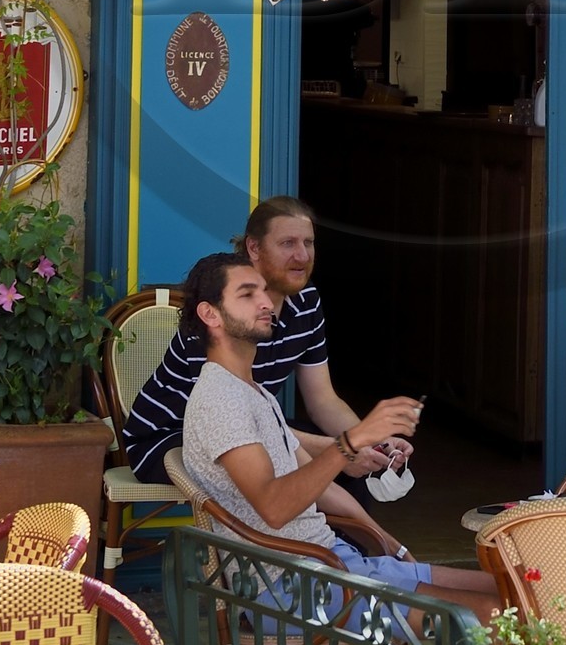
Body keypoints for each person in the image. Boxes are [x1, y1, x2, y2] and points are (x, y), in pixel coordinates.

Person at [176, 252, 499, 621]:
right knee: (489, 614)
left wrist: (390, 544)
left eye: (264, 291)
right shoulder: (221, 399)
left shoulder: (254, 392)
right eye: (247, 294)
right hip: (288, 586)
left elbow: (323, 490)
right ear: (210, 314)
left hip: (330, 561)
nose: (267, 302)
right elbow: (275, 507)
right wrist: (350, 441)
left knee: (510, 589)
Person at [124, 196, 392, 487]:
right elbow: (228, 418)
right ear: (254, 247)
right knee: (310, 466)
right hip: (170, 437)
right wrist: (341, 450)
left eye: (308, 243)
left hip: (248, 426)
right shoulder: (221, 305)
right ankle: (295, 534)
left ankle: (340, 534)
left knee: (348, 474)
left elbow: (322, 400)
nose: (302, 256)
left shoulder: (307, 301)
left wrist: (371, 443)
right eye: (288, 243)